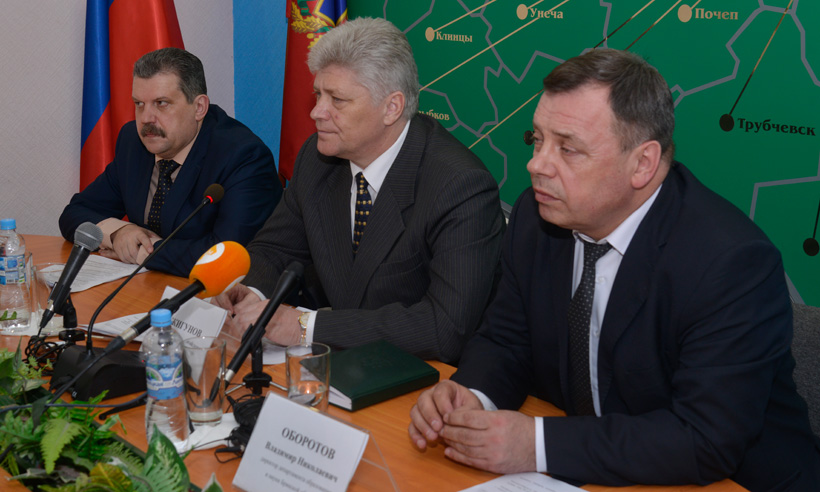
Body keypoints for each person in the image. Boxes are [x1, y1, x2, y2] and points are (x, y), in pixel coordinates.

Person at [408, 49, 820, 490]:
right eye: (537, 139)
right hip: (597, 469)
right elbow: (507, 340)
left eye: (568, 148)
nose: (536, 164)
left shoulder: (731, 263)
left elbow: (704, 438)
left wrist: (536, 444)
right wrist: (472, 396)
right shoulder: (535, 217)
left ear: (642, 163)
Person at [213, 18, 505, 364]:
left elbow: (444, 328)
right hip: (345, 367)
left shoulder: (459, 186)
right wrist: (252, 292)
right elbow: (276, 247)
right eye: (318, 94)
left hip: (425, 374)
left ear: (392, 108)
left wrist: (305, 326)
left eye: (337, 99)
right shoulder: (317, 160)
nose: (316, 112)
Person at [59, 48, 281, 277]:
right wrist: (118, 233)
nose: (146, 119)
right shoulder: (133, 142)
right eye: (139, 104)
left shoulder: (243, 157)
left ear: (199, 108)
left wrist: (141, 251)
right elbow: (75, 213)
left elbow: (229, 255)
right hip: (149, 287)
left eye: (161, 103)